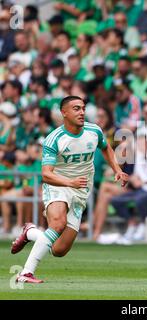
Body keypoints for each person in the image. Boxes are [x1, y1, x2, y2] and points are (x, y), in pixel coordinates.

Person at [11, 95, 128, 283]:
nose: (82, 112)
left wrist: (118, 170)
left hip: (81, 190)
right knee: (57, 223)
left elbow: (106, 149)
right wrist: (69, 182)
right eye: (76, 108)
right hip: (58, 185)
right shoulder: (54, 139)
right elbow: (46, 174)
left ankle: (30, 232)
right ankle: (26, 272)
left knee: (59, 250)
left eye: (82, 108)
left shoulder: (94, 131)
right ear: (63, 113)